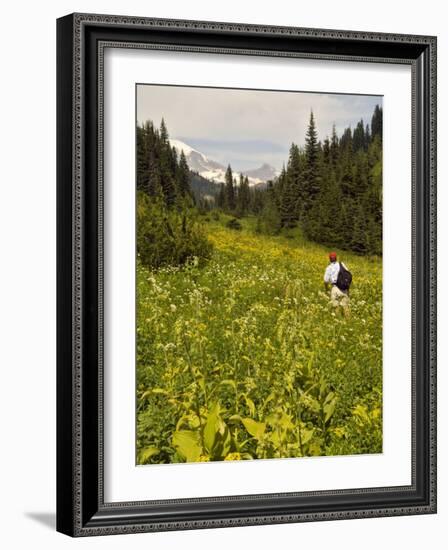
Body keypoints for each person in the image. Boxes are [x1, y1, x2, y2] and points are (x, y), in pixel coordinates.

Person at [323, 252, 350, 316]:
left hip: (335, 288)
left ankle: (339, 319)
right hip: (344, 288)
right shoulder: (342, 264)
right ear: (336, 258)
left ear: (329, 259)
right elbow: (348, 274)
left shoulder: (329, 268)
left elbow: (325, 280)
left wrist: (327, 289)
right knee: (345, 307)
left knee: (336, 307)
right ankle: (348, 321)